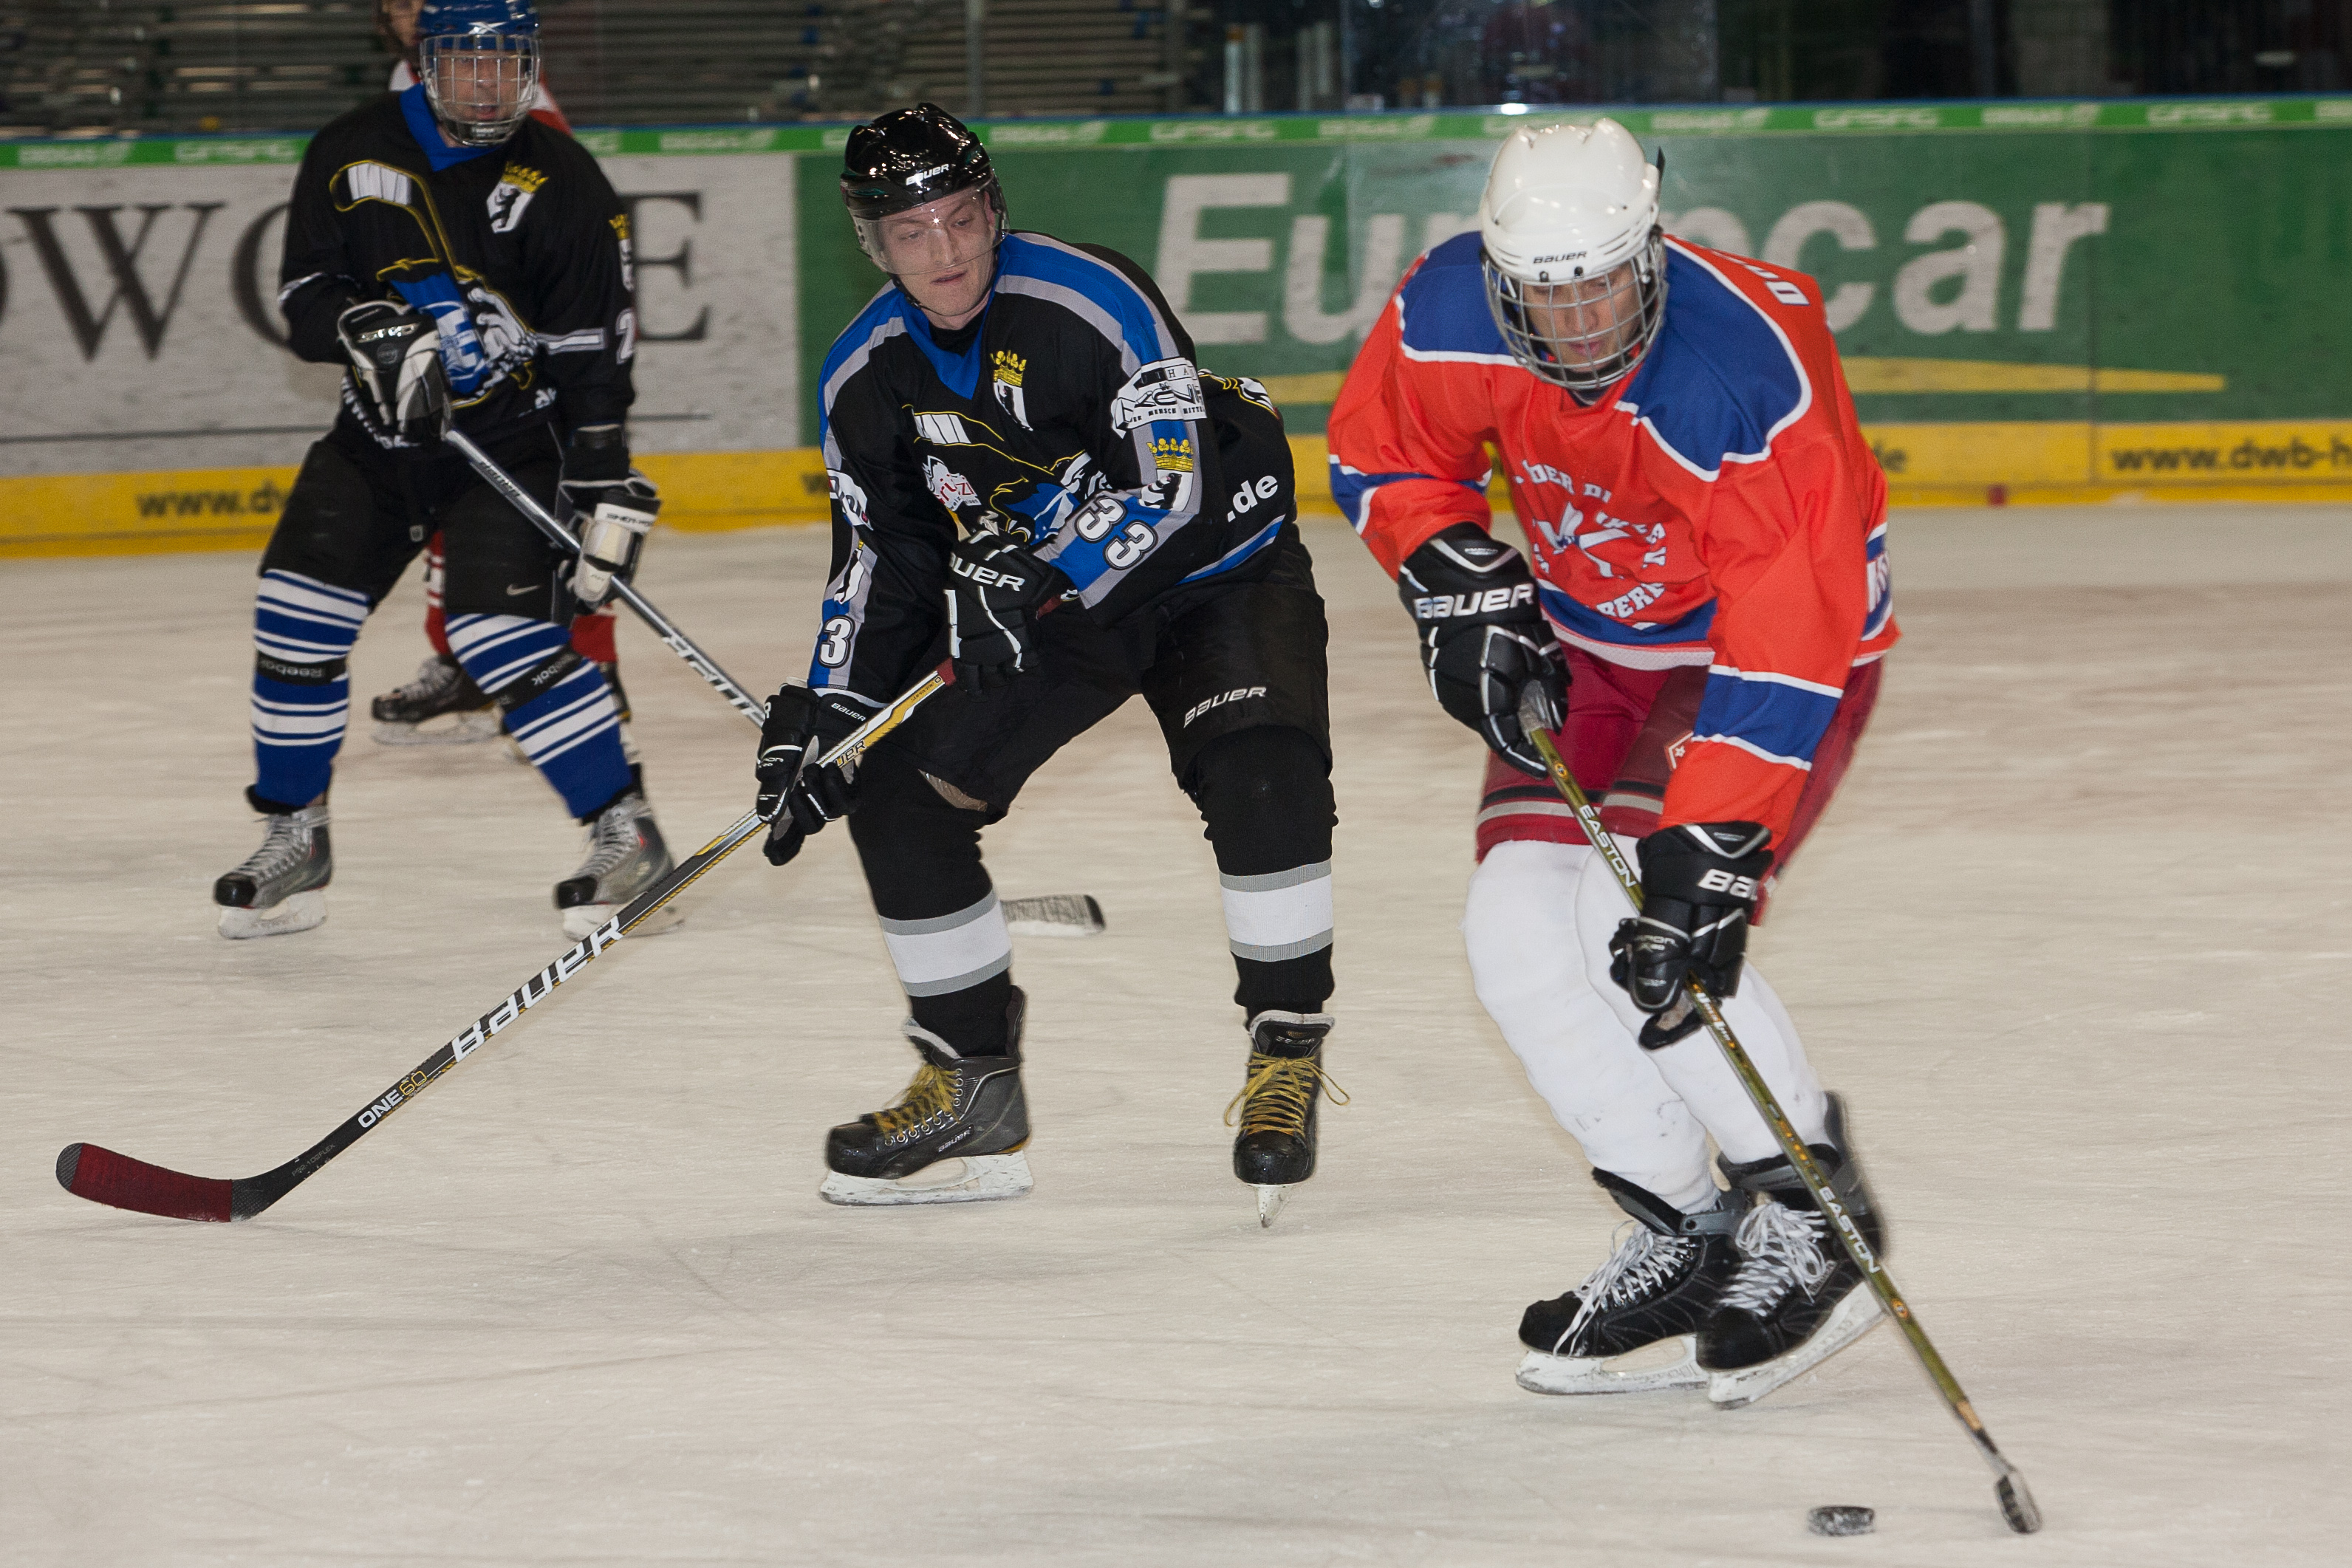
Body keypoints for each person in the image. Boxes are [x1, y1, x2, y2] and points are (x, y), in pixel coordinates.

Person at [1330, 117, 1899, 1405]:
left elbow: (1790, 611)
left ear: (1649, 250)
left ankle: (1812, 1212)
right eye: (1545, 295)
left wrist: (1716, 832)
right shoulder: (1444, 309)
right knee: (1513, 927)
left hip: (1758, 658)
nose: (1577, 322)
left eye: (1598, 285)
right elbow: (1383, 453)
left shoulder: (1744, 368)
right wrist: (1449, 573)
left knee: (1638, 913)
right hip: (1593, 646)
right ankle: (1684, 1226)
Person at [752, 105, 1339, 1221]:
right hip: (1053, 602)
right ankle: (972, 1083)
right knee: (898, 790)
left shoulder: (1090, 298)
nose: (945, 251)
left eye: (960, 218)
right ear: (874, 244)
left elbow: (1172, 483)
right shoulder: (864, 376)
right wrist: (831, 708)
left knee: (1258, 764)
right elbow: (883, 559)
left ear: (993, 209)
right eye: (912, 231)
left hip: (1217, 564)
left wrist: (1037, 568)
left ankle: (1285, 1046)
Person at [213, 0, 674, 941]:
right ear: (427, 63)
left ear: (529, 66)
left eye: (506, 62)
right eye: (466, 61)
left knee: (501, 638)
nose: (486, 81)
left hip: (516, 446)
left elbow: (595, 348)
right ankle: (296, 834)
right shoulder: (349, 148)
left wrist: (600, 477)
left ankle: (625, 832)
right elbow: (304, 295)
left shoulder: (565, 180)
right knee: (296, 614)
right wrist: (356, 323)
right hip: (376, 440)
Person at [361, 0, 637, 751]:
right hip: (460, 331)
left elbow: (549, 219)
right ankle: (468, 664)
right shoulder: (408, 81)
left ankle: (592, 672)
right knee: (452, 504)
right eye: (397, 2)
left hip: (525, 335)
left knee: (560, 506)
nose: (411, 11)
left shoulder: (503, 80)